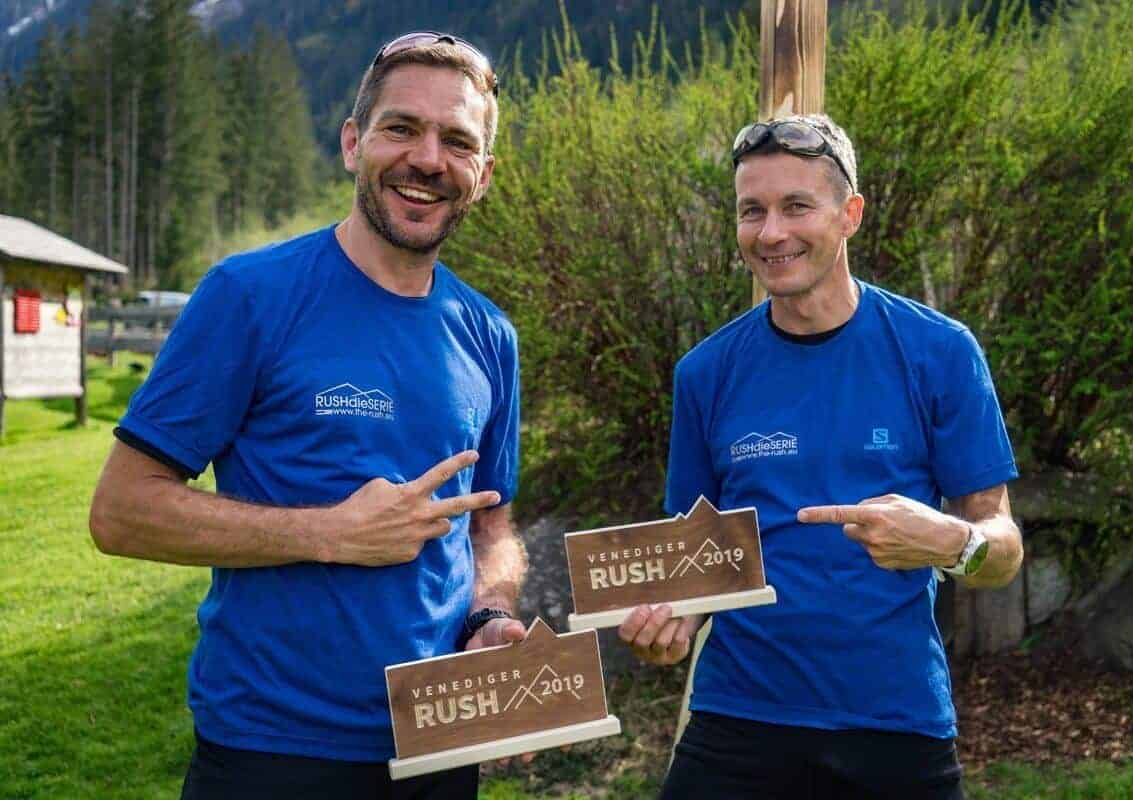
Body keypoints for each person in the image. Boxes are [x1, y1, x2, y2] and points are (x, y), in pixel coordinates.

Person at [89, 32, 525, 800]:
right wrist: (331, 533)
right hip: (273, 751)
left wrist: (490, 612)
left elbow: (491, 526)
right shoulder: (250, 295)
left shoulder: (490, 334)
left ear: (482, 176)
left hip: (441, 740)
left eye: (457, 142)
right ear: (354, 144)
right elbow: (121, 512)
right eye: (401, 128)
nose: (428, 159)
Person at [618, 114, 1024, 800]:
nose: (771, 233)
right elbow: (693, 564)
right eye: (752, 211)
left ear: (849, 215)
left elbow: (1004, 551)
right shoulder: (706, 373)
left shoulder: (940, 352)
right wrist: (670, 623)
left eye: (796, 206)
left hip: (895, 720)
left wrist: (951, 543)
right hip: (739, 717)